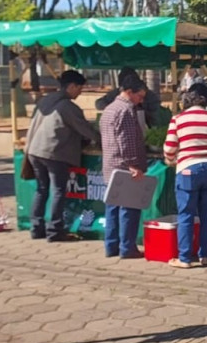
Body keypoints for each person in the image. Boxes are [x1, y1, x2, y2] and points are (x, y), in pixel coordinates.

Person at [25, 70, 99, 242]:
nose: (80, 92)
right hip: (54, 153)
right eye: (79, 88)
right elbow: (85, 129)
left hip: (35, 151)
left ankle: (36, 228)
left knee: (41, 189)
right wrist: (101, 139)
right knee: (58, 191)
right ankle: (55, 231)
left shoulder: (46, 99)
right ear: (71, 86)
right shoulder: (67, 106)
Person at [164, 83, 207, 268]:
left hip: (187, 170)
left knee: (186, 214)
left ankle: (184, 258)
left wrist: (171, 158)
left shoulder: (178, 119)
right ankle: (205, 255)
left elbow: (169, 149)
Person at [99, 74, 148, 259]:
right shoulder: (126, 110)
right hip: (125, 167)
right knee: (129, 208)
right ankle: (127, 248)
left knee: (112, 208)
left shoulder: (109, 109)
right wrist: (133, 164)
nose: (140, 101)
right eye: (139, 96)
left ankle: (111, 247)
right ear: (129, 92)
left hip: (110, 164)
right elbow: (126, 141)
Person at [96, 66, 163, 127]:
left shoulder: (148, 94)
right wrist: (114, 108)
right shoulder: (116, 93)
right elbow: (98, 104)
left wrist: (142, 108)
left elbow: (156, 115)